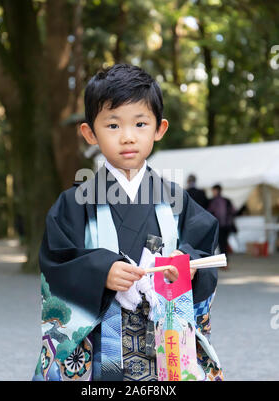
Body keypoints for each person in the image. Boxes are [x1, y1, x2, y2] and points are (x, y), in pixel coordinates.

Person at [32, 64, 223, 381]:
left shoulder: (178, 200)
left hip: (165, 347)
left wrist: (185, 266)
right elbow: (56, 260)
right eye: (112, 125)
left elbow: (204, 251)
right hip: (98, 356)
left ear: (159, 129)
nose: (128, 136)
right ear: (90, 133)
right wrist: (101, 270)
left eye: (140, 123)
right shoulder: (73, 203)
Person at [208, 184, 236, 258]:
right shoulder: (227, 200)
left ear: (216, 190)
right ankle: (224, 261)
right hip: (226, 226)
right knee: (223, 244)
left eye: (213, 190)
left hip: (219, 226)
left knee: (220, 244)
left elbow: (209, 212)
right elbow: (233, 211)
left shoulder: (213, 201)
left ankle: (223, 261)